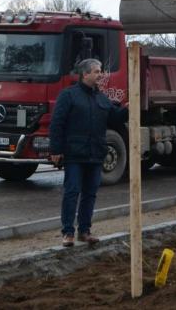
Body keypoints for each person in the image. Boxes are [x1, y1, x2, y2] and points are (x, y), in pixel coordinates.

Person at [50, 58, 128, 247]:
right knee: (72, 192)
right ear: (85, 74)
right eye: (97, 71)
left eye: (100, 71)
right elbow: (57, 123)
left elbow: (115, 119)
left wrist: (127, 110)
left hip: (95, 154)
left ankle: (84, 231)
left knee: (90, 194)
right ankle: (68, 232)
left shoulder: (101, 98)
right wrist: (56, 149)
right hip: (75, 154)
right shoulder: (68, 96)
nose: (100, 75)